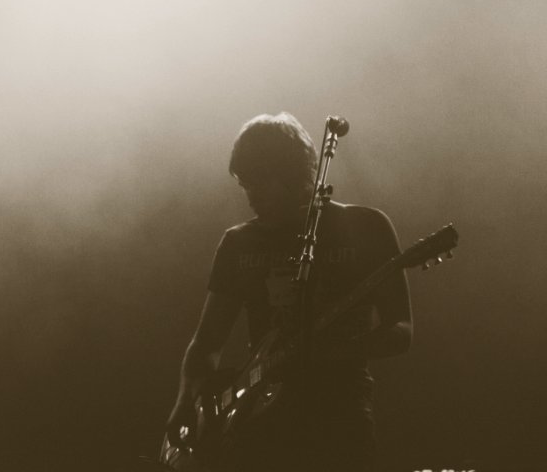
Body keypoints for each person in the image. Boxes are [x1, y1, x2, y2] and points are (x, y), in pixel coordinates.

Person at [164, 112, 412, 472]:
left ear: (294, 174)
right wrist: (185, 399)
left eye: (259, 183)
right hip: (258, 424)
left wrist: (332, 351)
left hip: (341, 417)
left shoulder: (365, 228)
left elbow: (402, 330)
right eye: (244, 185)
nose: (250, 196)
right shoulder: (238, 243)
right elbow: (207, 343)